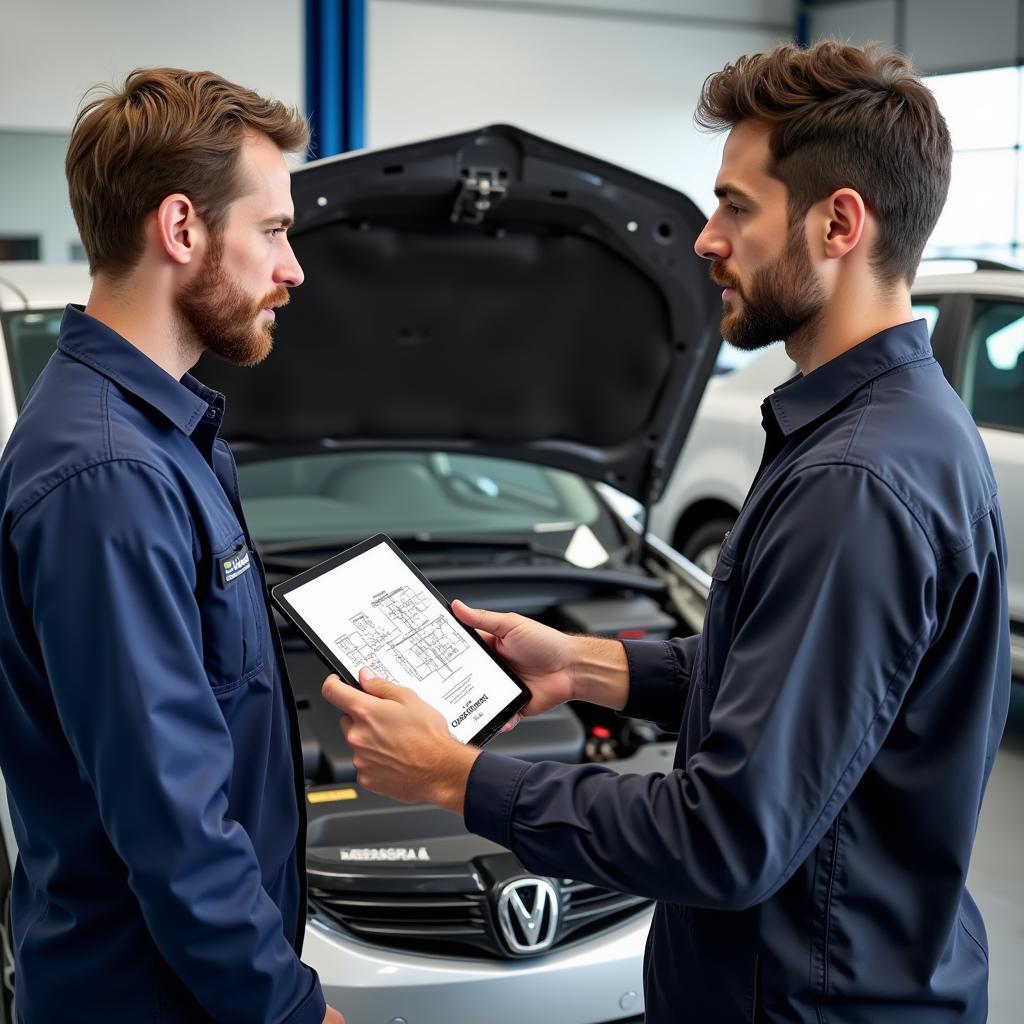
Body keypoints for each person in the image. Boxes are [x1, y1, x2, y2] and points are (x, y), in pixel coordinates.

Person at [322, 40, 1012, 1023]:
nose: (703, 238)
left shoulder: (854, 481)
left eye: (736, 206)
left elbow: (727, 836)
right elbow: (807, 688)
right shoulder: (890, 428)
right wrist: (591, 664)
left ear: (837, 222)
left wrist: (458, 777)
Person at [0, 70, 343, 1023]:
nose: (294, 267)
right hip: (146, 996)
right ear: (183, 228)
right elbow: (171, 820)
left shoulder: (161, 435)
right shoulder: (108, 475)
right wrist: (286, 1008)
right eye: (272, 231)